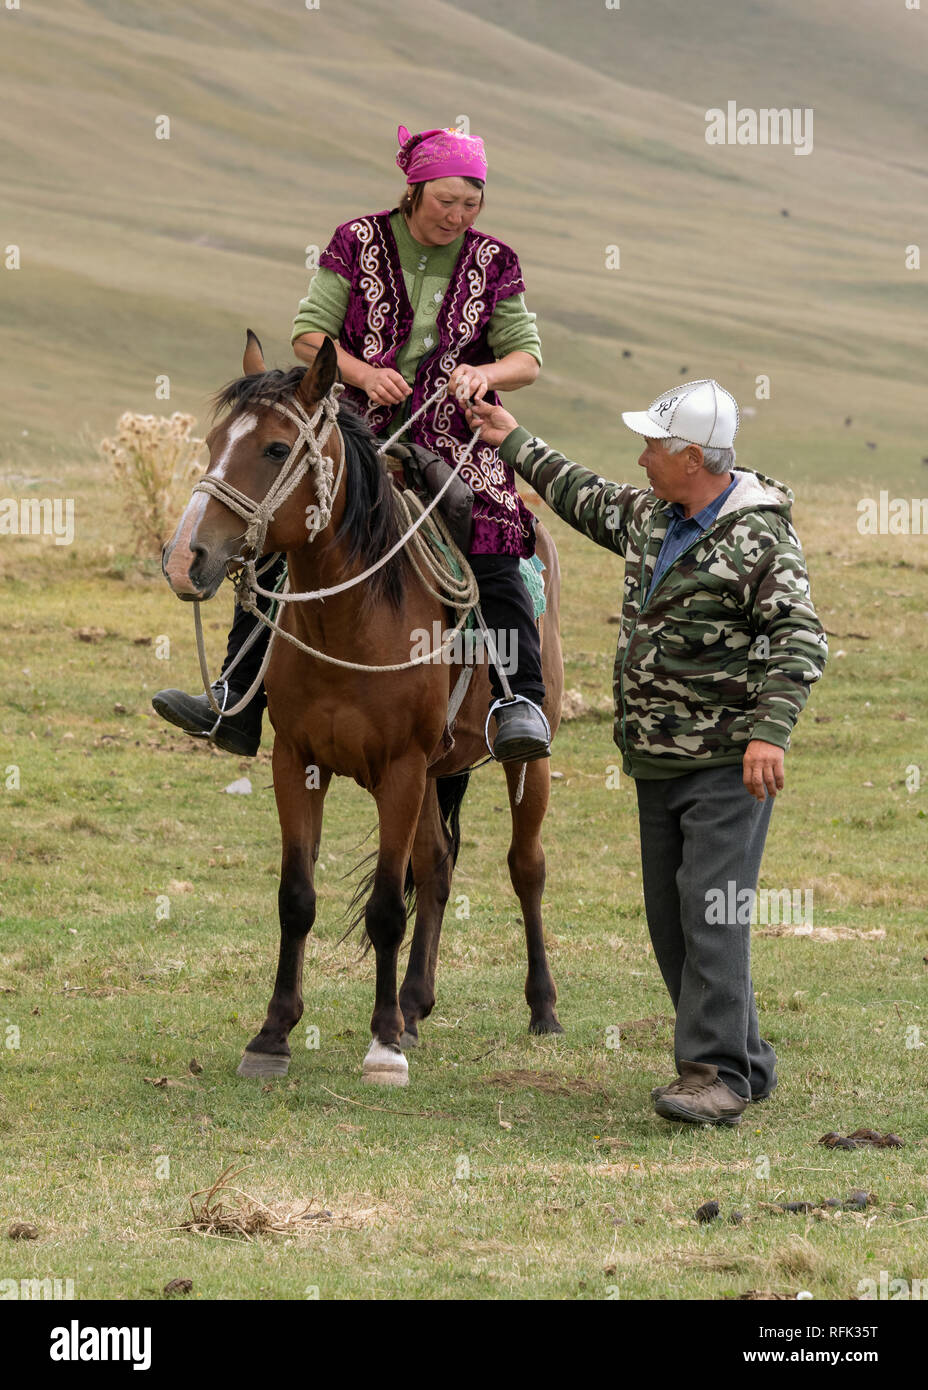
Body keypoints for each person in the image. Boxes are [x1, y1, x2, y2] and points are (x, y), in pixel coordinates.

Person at [466, 379, 828, 1126]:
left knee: (711, 912)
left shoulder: (759, 535)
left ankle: (716, 1074)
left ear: (693, 457)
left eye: (654, 447)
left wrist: (770, 731)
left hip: (727, 761)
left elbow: (800, 635)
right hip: (656, 760)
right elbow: (580, 492)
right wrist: (512, 436)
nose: (641, 458)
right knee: (672, 920)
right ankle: (746, 1061)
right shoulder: (653, 517)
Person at [153, 123, 550, 762]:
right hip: (352, 432)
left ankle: (517, 700)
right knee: (282, 532)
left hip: (457, 439)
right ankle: (235, 698)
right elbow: (310, 336)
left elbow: (526, 358)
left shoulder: (496, 260)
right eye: (446, 201)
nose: (458, 215)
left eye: (471, 204)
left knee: (494, 533)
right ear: (414, 191)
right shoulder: (355, 240)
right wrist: (364, 374)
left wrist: (486, 372)